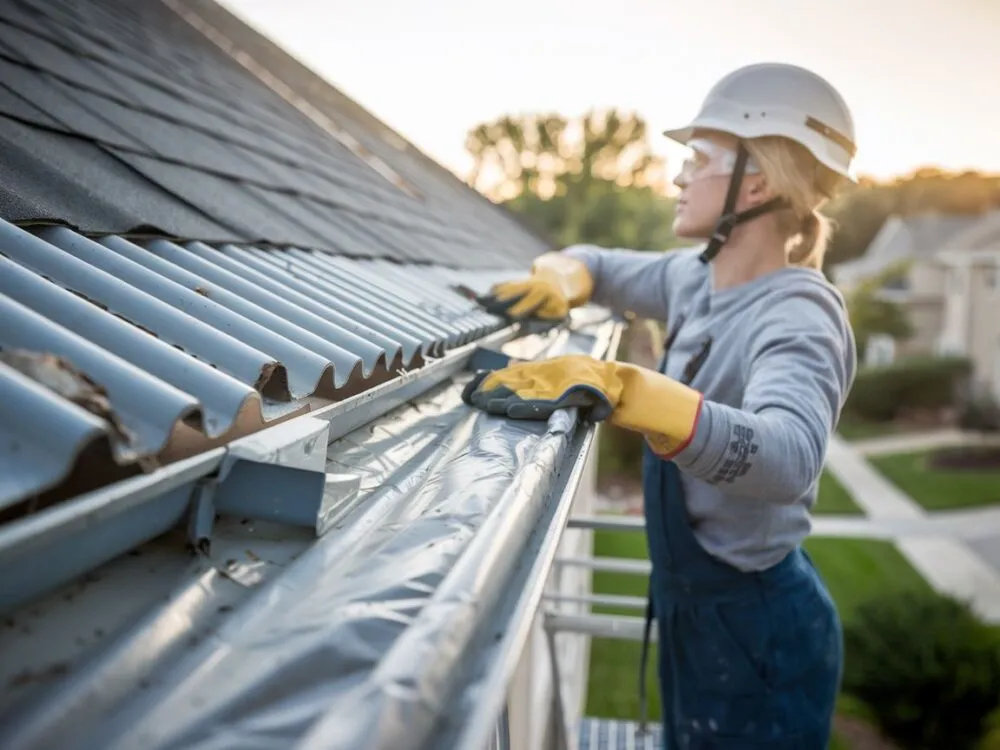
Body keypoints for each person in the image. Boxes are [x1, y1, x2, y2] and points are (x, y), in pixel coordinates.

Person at [465, 62, 858, 749]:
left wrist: (633, 390)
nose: (678, 177)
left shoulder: (799, 311)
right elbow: (599, 265)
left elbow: (790, 458)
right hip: (697, 613)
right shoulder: (694, 279)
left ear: (757, 183)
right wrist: (563, 276)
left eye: (697, 159)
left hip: (760, 635)